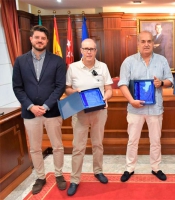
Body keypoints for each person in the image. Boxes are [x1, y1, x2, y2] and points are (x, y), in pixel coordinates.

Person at [12, 25, 67, 194]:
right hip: (30, 113)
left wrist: (45, 106)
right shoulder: (20, 61)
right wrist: (31, 106)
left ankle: (58, 174)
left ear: (47, 41)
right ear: (31, 39)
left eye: (43, 38)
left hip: (52, 111)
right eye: (37, 37)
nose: (40, 41)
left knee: (57, 146)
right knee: (35, 148)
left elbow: (60, 87)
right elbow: (17, 87)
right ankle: (41, 177)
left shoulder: (57, 61)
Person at [118, 30, 173, 182]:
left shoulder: (161, 60)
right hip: (135, 109)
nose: (146, 44)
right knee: (132, 140)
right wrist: (131, 100)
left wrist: (161, 83)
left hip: (155, 110)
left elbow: (170, 80)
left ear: (153, 43)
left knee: (155, 140)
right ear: (138, 44)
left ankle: (156, 167)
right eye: (143, 41)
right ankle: (129, 168)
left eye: (149, 41)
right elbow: (122, 84)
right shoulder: (128, 61)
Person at [65, 38, 113, 196]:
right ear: (81, 50)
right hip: (80, 112)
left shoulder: (103, 66)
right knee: (78, 147)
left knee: (98, 144)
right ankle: (74, 179)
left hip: (99, 111)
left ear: (96, 51)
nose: (89, 52)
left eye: (92, 49)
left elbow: (108, 88)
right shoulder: (73, 67)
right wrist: (74, 92)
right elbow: (67, 89)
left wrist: (106, 97)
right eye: (86, 49)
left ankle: (98, 171)